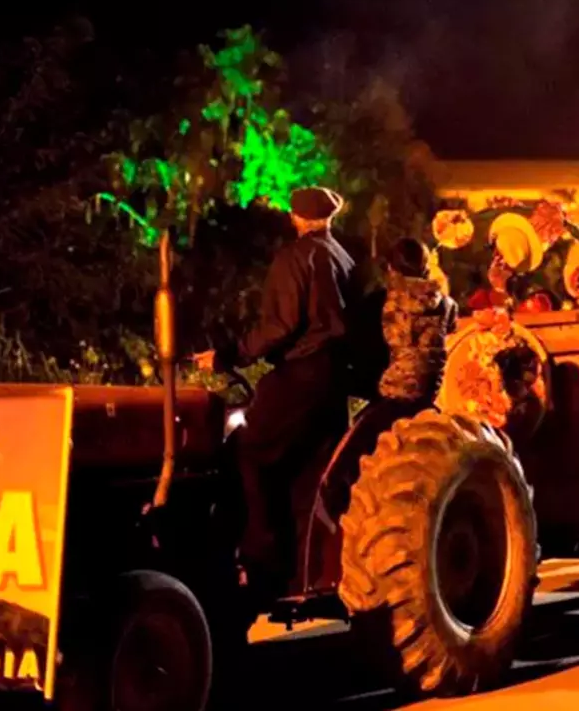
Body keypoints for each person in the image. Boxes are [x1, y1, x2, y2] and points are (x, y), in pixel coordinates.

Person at [195, 186, 358, 603]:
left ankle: (260, 561)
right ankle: (304, 571)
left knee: (247, 452)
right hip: (334, 380)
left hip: (301, 375)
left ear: (297, 218)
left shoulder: (295, 258)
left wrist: (230, 355)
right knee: (311, 471)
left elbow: (279, 326)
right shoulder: (344, 258)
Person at [376, 238, 458, 408]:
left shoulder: (379, 301)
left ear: (391, 268)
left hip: (388, 392)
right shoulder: (446, 304)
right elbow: (451, 330)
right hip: (432, 394)